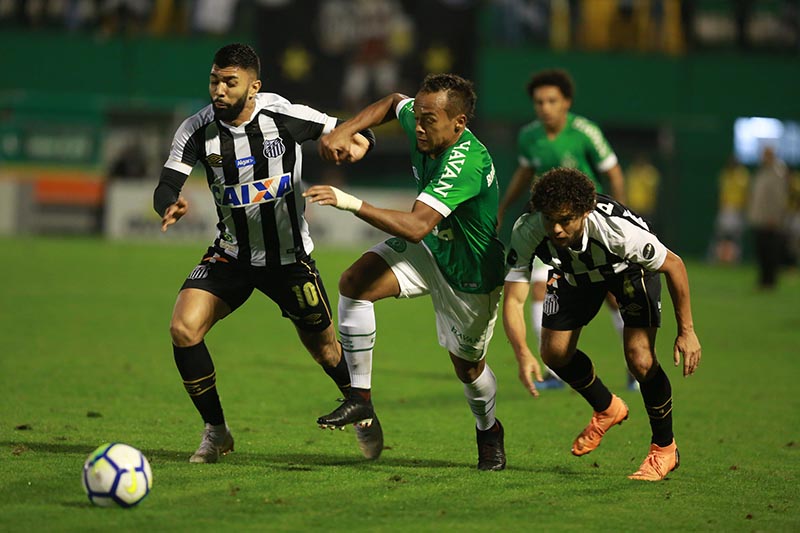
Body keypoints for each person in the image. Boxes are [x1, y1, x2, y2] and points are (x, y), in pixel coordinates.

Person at [153, 43, 381, 463]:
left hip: (289, 260)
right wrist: (169, 202)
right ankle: (216, 431)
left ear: (253, 87)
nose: (219, 90)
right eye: (214, 79)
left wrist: (358, 142)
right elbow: (167, 182)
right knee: (184, 329)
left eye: (230, 82)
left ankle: (364, 413)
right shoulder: (196, 130)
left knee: (327, 350)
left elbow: (350, 129)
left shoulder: (282, 116)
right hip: (231, 255)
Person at [303, 73, 508, 471]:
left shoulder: (465, 161)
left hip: (469, 271)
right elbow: (393, 101)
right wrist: (345, 129)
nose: (418, 125)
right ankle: (359, 399)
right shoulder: (423, 115)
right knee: (354, 282)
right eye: (418, 116)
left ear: (458, 123)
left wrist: (349, 202)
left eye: (428, 120)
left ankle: (489, 429)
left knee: (468, 368)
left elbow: (416, 225)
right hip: (429, 249)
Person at [503, 167, 701, 481]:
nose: (555, 229)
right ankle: (607, 407)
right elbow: (513, 298)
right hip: (574, 276)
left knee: (640, 358)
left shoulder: (617, 231)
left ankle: (664, 448)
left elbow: (674, 265)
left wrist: (687, 331)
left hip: (627, 270)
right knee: (554, 353)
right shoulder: (528, 228)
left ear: (585, 212)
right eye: (549, 218)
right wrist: (522, 352)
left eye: (565, 220)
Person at [496, 68, 631, 390]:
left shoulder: (585, 131)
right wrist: (502, 207)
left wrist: (621, 218)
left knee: (614, 296)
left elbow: (614, 173)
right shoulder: (530, 136)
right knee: (539, 289)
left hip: (587, 223)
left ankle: (634, 365)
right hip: (548, 225)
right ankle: (554, 372)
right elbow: (524, 172)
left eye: (551, 100)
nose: (544, 107)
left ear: (566, 102)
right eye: (539, 101)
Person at [747, 146, 789, 290]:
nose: (763, 157)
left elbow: (779, 198)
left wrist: (774, 217)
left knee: (770, 252)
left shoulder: (777, 172)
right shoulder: (763, 172)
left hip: (770, 219)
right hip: (760, 218)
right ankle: (763, 280)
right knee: (762, 251)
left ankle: (770, 281)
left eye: (766, 155)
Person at [709, 155, 750, 264]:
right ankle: (715, 257)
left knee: (736, 237)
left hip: (737, 210)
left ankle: (736, 259)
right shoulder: (725, 174)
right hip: (725, 209)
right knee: (719, 235)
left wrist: (743, 210)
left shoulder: (743, 175)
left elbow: (746, 194)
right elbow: (721, 193)